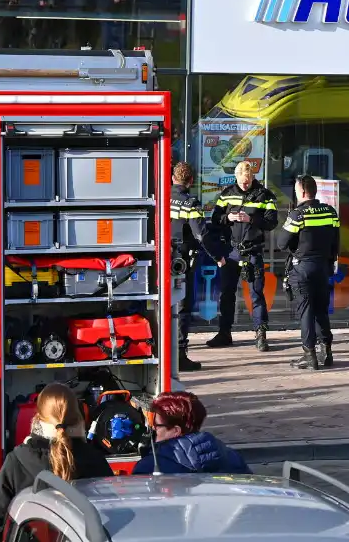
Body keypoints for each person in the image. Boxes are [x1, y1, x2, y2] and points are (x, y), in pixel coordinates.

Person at [0, 383, 112, 541]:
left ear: (38, 418)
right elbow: (111, 514)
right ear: (78, 417)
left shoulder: (16, 460)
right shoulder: (95, 459)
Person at [208, 160, 278, 350]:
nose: (244, 184)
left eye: (247, 181)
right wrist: (227, 218)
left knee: (256, 294)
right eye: (241, 181)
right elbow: (214, 219)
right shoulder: (227, 193)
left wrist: (251, 219)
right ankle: (224, 333)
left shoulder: (264, 195)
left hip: (252, 250)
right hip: (231, 251)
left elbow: (272, 222)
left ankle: (261, 334)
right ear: (237, 177)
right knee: (226, 294)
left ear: (252, 177)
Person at [276, 175, 340, 369]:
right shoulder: (330, 212)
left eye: (296, 190)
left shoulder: (298, 214)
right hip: (323, 267)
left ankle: (309, 354)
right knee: (321, 309)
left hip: (303, 268)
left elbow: (281, 243)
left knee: (306, 310)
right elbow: (335, 242)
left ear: (302, 192)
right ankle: (326, 353)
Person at [170, 161, 221, 371]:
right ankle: (180, 355)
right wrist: (218, 255)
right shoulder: (190, 203)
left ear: (173, 178)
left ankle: (163, 351)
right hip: (181, 259)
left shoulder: (163, 197)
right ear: (191, 181)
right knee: (182, 305)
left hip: (163, 256)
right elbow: (201, 233)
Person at [132, 391, 252, 475]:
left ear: (176, 431)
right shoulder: (232, 457)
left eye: (155, 426)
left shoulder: (150, 467)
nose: (152, 430)